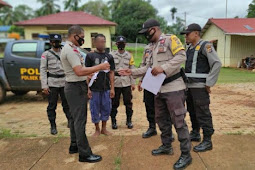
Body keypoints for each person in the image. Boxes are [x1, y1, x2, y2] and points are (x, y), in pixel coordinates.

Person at [119, 19, 192, 170]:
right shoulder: (151, 47)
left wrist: (163, 68)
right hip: (158, 89)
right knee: (161, 119)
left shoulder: (170, 39)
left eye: (146, 32)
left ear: (153, 29)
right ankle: (166, 146)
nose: (146, 35)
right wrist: (131, 72)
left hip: (174, 88)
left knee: (178, 121)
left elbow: (181, 56)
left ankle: (186, 154)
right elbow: (147, 68)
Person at [60, 25, 110, 163]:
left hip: (75, 86)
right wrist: (100, 67)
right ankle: (84, 154)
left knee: (75, 119)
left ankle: (74, 145)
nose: (83, 39)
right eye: (81, 37)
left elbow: (82, 69)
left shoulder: (72, 48)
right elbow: (79, 72)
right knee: (80, 120)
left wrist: (90, 71)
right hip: (75, 88)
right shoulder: (69, 50)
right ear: (74, 35)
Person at [181, 23, 221, 152]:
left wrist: (209, 82)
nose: (185, 36)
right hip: (189, 86)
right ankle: (195, 133)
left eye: (188, 34)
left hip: (200, 86)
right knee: (192, 111)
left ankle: (208, 140)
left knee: (203, 113)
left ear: (196, 33)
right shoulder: (189, 48)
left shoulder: (206, 46)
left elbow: (217, 63)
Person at [40, 33, 70, 135]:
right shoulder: (46, 54)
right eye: (54, 41)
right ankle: (53, 125)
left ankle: (70, 121)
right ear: (50, 42)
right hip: (52, 82)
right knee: (52, 105)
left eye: (58, 41)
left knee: (67, 104)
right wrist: (44, 85)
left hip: (64, 81)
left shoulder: (65, 52)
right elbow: (43, 70)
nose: (56, 43)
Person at [86, 34, 115, 136]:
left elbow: (111, 72)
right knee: (94, 109)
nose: (101, 44)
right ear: (95, 43)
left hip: (106, 88)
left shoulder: (109, 57)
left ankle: (104, 128)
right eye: (99, 42)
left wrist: (112, 88)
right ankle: (97, 129)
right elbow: (86, 73)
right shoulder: (90, 56)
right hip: (94, 88)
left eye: (103, 41)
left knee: (106, 108)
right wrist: (88, 89)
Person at [110, 35, 136, 130]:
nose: (121, 45)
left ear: (125, 44)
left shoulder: (129, 55)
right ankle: (113, 121)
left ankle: (129, 121)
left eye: (123, 43)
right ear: (116, 44)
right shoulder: (111, 55)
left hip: (126, 83)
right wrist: (110, 84)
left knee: (128, 103)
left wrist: (133, 83)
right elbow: (110, 70)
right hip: (116, 82)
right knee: (114, 103)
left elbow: (132, 69)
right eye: (119, 43)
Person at [138, 43, 157, 138]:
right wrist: (141, 80)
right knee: (149, 104)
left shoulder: (165, 44)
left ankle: (167, 131)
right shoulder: (147, 48)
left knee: (164, 106)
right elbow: (143, 64)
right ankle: (152, 127)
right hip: (149, 78)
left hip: (162, 79)